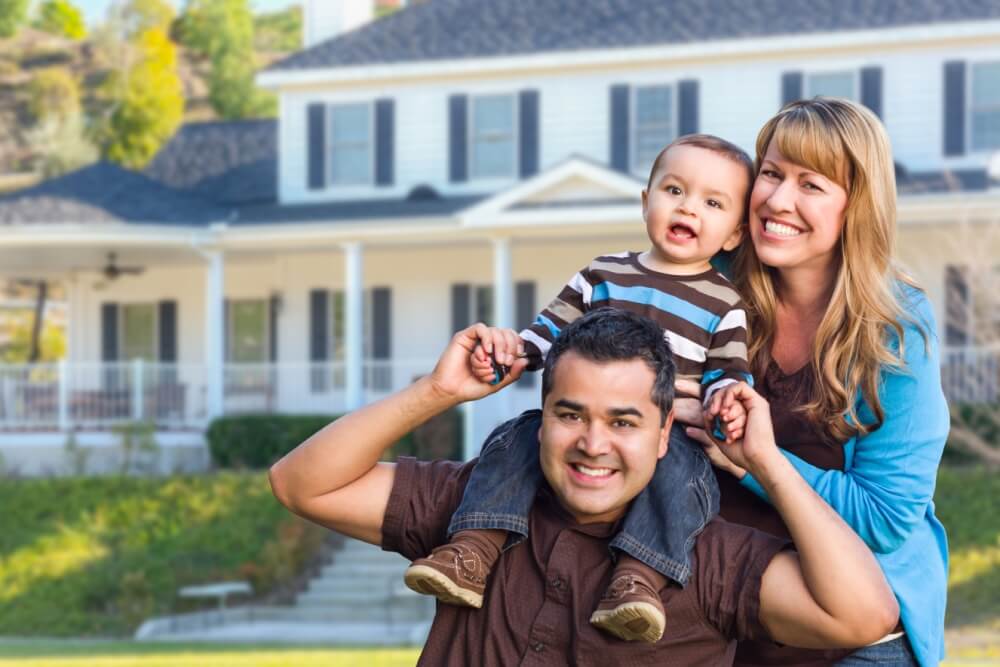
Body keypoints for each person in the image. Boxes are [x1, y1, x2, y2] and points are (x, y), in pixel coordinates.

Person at [268, 308, 900, 666]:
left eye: (623, 422)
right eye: (571, 415)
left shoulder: (704, 557)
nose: (593, 444)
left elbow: (863, 615)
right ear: (540, 422)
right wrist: (437, 393)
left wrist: (765, 462)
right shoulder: (475, 506)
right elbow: (301, 484)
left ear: (662, 437)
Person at [404, 133, 756, 643]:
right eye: (674, 190)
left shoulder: (724, 302)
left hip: (666, 431)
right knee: (516, 438)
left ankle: (638, 581)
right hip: (583, 419)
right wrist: (509, 356)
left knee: (684, 476)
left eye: (712, 202)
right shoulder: (603, 274)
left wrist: (727, 401)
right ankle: (472, 549)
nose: (688, 208)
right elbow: (548, 334)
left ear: (733, 235)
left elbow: (729, 373)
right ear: (646, 201)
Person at [693, 98, 950, 666]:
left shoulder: (895, 327)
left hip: (855, 629)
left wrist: (750, 460)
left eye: (812, 185)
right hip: (720, 606)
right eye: (771, 173)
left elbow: (884, 517)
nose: (778, 201)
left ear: (854, 207)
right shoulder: (707, 286)